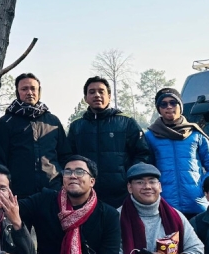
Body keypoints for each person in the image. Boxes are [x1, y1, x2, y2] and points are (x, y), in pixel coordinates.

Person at [65, 76, 152, 208]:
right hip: (85, 194)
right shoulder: (77, 126)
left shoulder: (126, 123)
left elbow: (143, 153)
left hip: (120, 196)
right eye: (92, 92)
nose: (97, 95)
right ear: (85, 98)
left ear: (109, 96)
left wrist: (128, 177)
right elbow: (68, 157)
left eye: (101, 91)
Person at [0, 73, 65, 198]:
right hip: (19, 194)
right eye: (24, 89)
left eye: (33, 88)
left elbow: (64, 155)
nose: (29, 92)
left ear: (39, 91)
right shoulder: (5, 123)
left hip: (53, 191)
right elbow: (0, 160)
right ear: (17, 92)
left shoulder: (53, 122)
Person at [143, 87, 209, 216]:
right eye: (163, 104)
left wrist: (202, 187)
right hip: (165, 207)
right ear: (159, 109)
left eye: (173, 103)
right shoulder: (150, 136)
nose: (169, 107)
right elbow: (146, 170)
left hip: (197, 206)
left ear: (180, 106)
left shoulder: (195, 134)